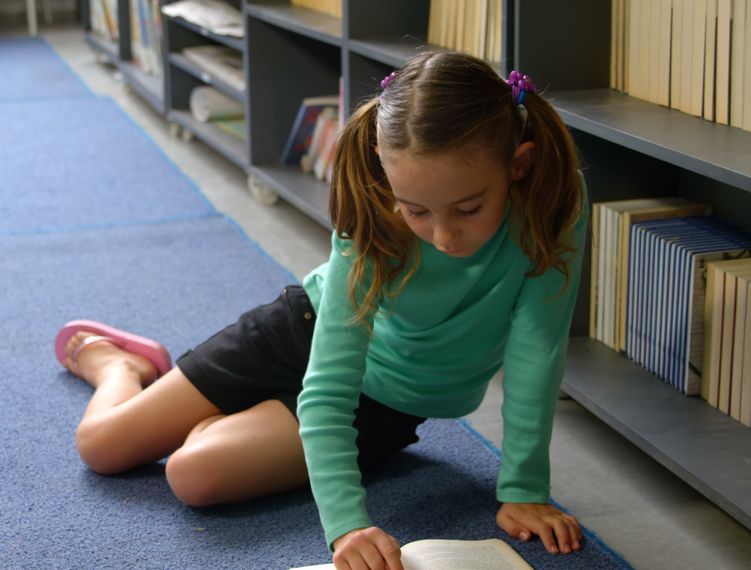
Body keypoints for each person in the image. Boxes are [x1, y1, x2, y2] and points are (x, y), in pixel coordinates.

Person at [54, 50, 588, 570]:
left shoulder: (556, 205)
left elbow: (535, 356)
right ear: (385, 171)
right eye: (417, 210)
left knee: (193, 475)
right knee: (101, 447)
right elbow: (329, 381)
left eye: (469, 209)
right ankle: (121, 367)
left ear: (519, 165)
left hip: (385, 404)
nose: (444, 235)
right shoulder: (373, 213)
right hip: (303, 330)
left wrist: (523, 490)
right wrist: (348, 527)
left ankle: (238, 421)